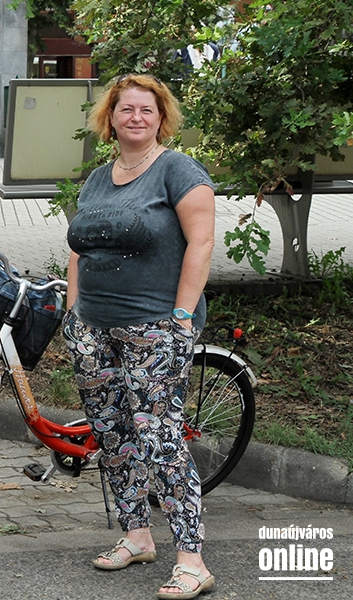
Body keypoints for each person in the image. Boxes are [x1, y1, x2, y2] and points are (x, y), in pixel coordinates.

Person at [62, 74, 216, 600]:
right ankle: (137, 536)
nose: (136, 117)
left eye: (146, 110)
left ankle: (192, 560)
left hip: (155, 325)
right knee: (113, 433)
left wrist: (182, 316)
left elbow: (201, 243)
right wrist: (73, 312)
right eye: (126, 109)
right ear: (110, 118)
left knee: (161, 438)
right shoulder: (97, 179)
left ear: (161, 118)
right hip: (93, 327)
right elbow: (79, 248)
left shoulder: (177, 170)